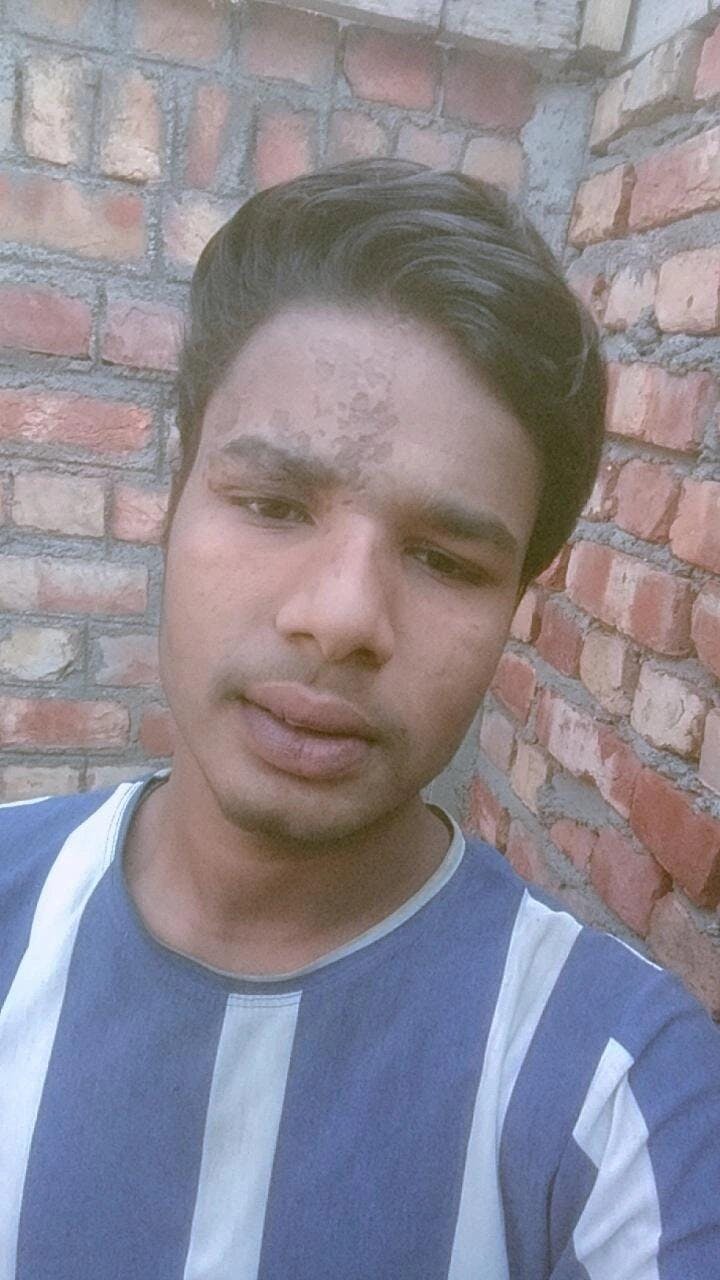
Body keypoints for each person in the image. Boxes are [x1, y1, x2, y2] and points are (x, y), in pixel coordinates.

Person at [0, 159, 717, 1280]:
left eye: (445, 559)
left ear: (514, 604)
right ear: (172, 501)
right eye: (272, 504)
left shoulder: (616, 1089)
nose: (341, 618)